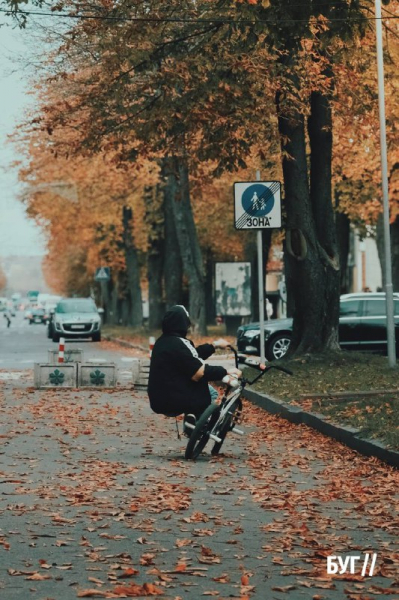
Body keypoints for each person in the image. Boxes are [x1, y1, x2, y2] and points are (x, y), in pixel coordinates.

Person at [147, 305, 241, 431]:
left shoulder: (162, 342)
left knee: (197, 384)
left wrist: (214, 346)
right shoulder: (180, 344)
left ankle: (192, 421)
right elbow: (199, 372)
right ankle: (199, 424)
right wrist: (226, 371)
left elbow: (190, 358)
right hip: (175, 399)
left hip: (157, 399)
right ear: (183, 323)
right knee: (210, 391)